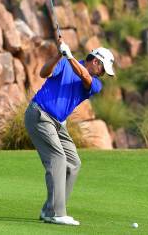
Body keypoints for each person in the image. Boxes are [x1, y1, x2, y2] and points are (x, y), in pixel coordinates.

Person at [24, 40, 115, 226]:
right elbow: (43, 73)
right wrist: (59, 55)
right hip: (39, 114)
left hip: (58, 123)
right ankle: (57, 213)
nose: (103, 74)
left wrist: (70, 56)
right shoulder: (64, 63)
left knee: (73, 163)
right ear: (96, 61)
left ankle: (49, 208)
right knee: (58, 158)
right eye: (103, 68)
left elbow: (84, 77)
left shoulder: (95, 83)